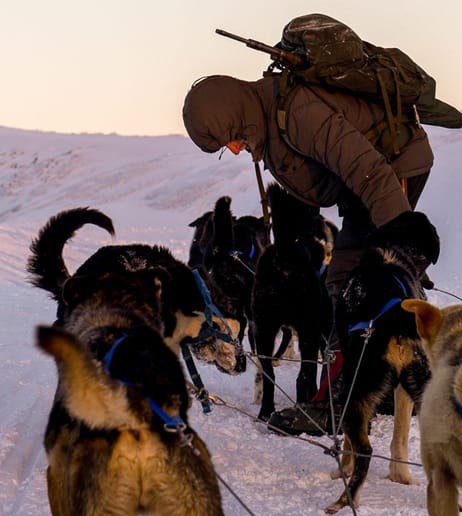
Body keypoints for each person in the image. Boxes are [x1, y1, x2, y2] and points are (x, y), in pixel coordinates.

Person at [181, 72, 438, 432]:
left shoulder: (299, 115)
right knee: (343, 282)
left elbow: (370, 170)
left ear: (236, 114)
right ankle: (360, 392)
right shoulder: (269, 120)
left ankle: (363, 397)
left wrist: (402, 239)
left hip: (389, 175)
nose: (237, 149)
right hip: (363, 188)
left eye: (232, 139)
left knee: (366, 283)